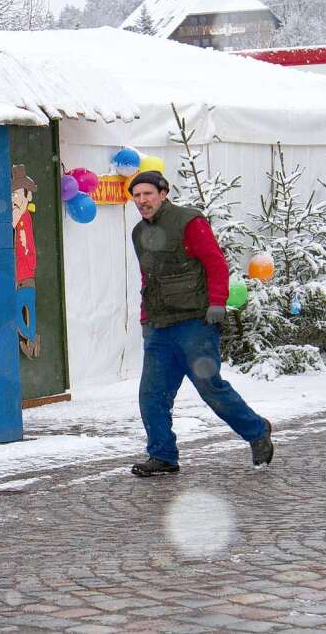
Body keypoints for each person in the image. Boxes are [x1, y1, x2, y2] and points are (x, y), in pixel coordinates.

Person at [129, 170, 273, 477]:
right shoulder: (138, 233)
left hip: (194, 323)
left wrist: (217, 302)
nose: (142, 201)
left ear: (163, 193)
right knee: (151, 395)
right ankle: (163, 455)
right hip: (159, 326)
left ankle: (257, 431)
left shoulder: (189, 222)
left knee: (210, 388)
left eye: (148, 194)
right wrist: (145, 319)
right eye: (137, 196)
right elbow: (148, 279)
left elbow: (215, 262)